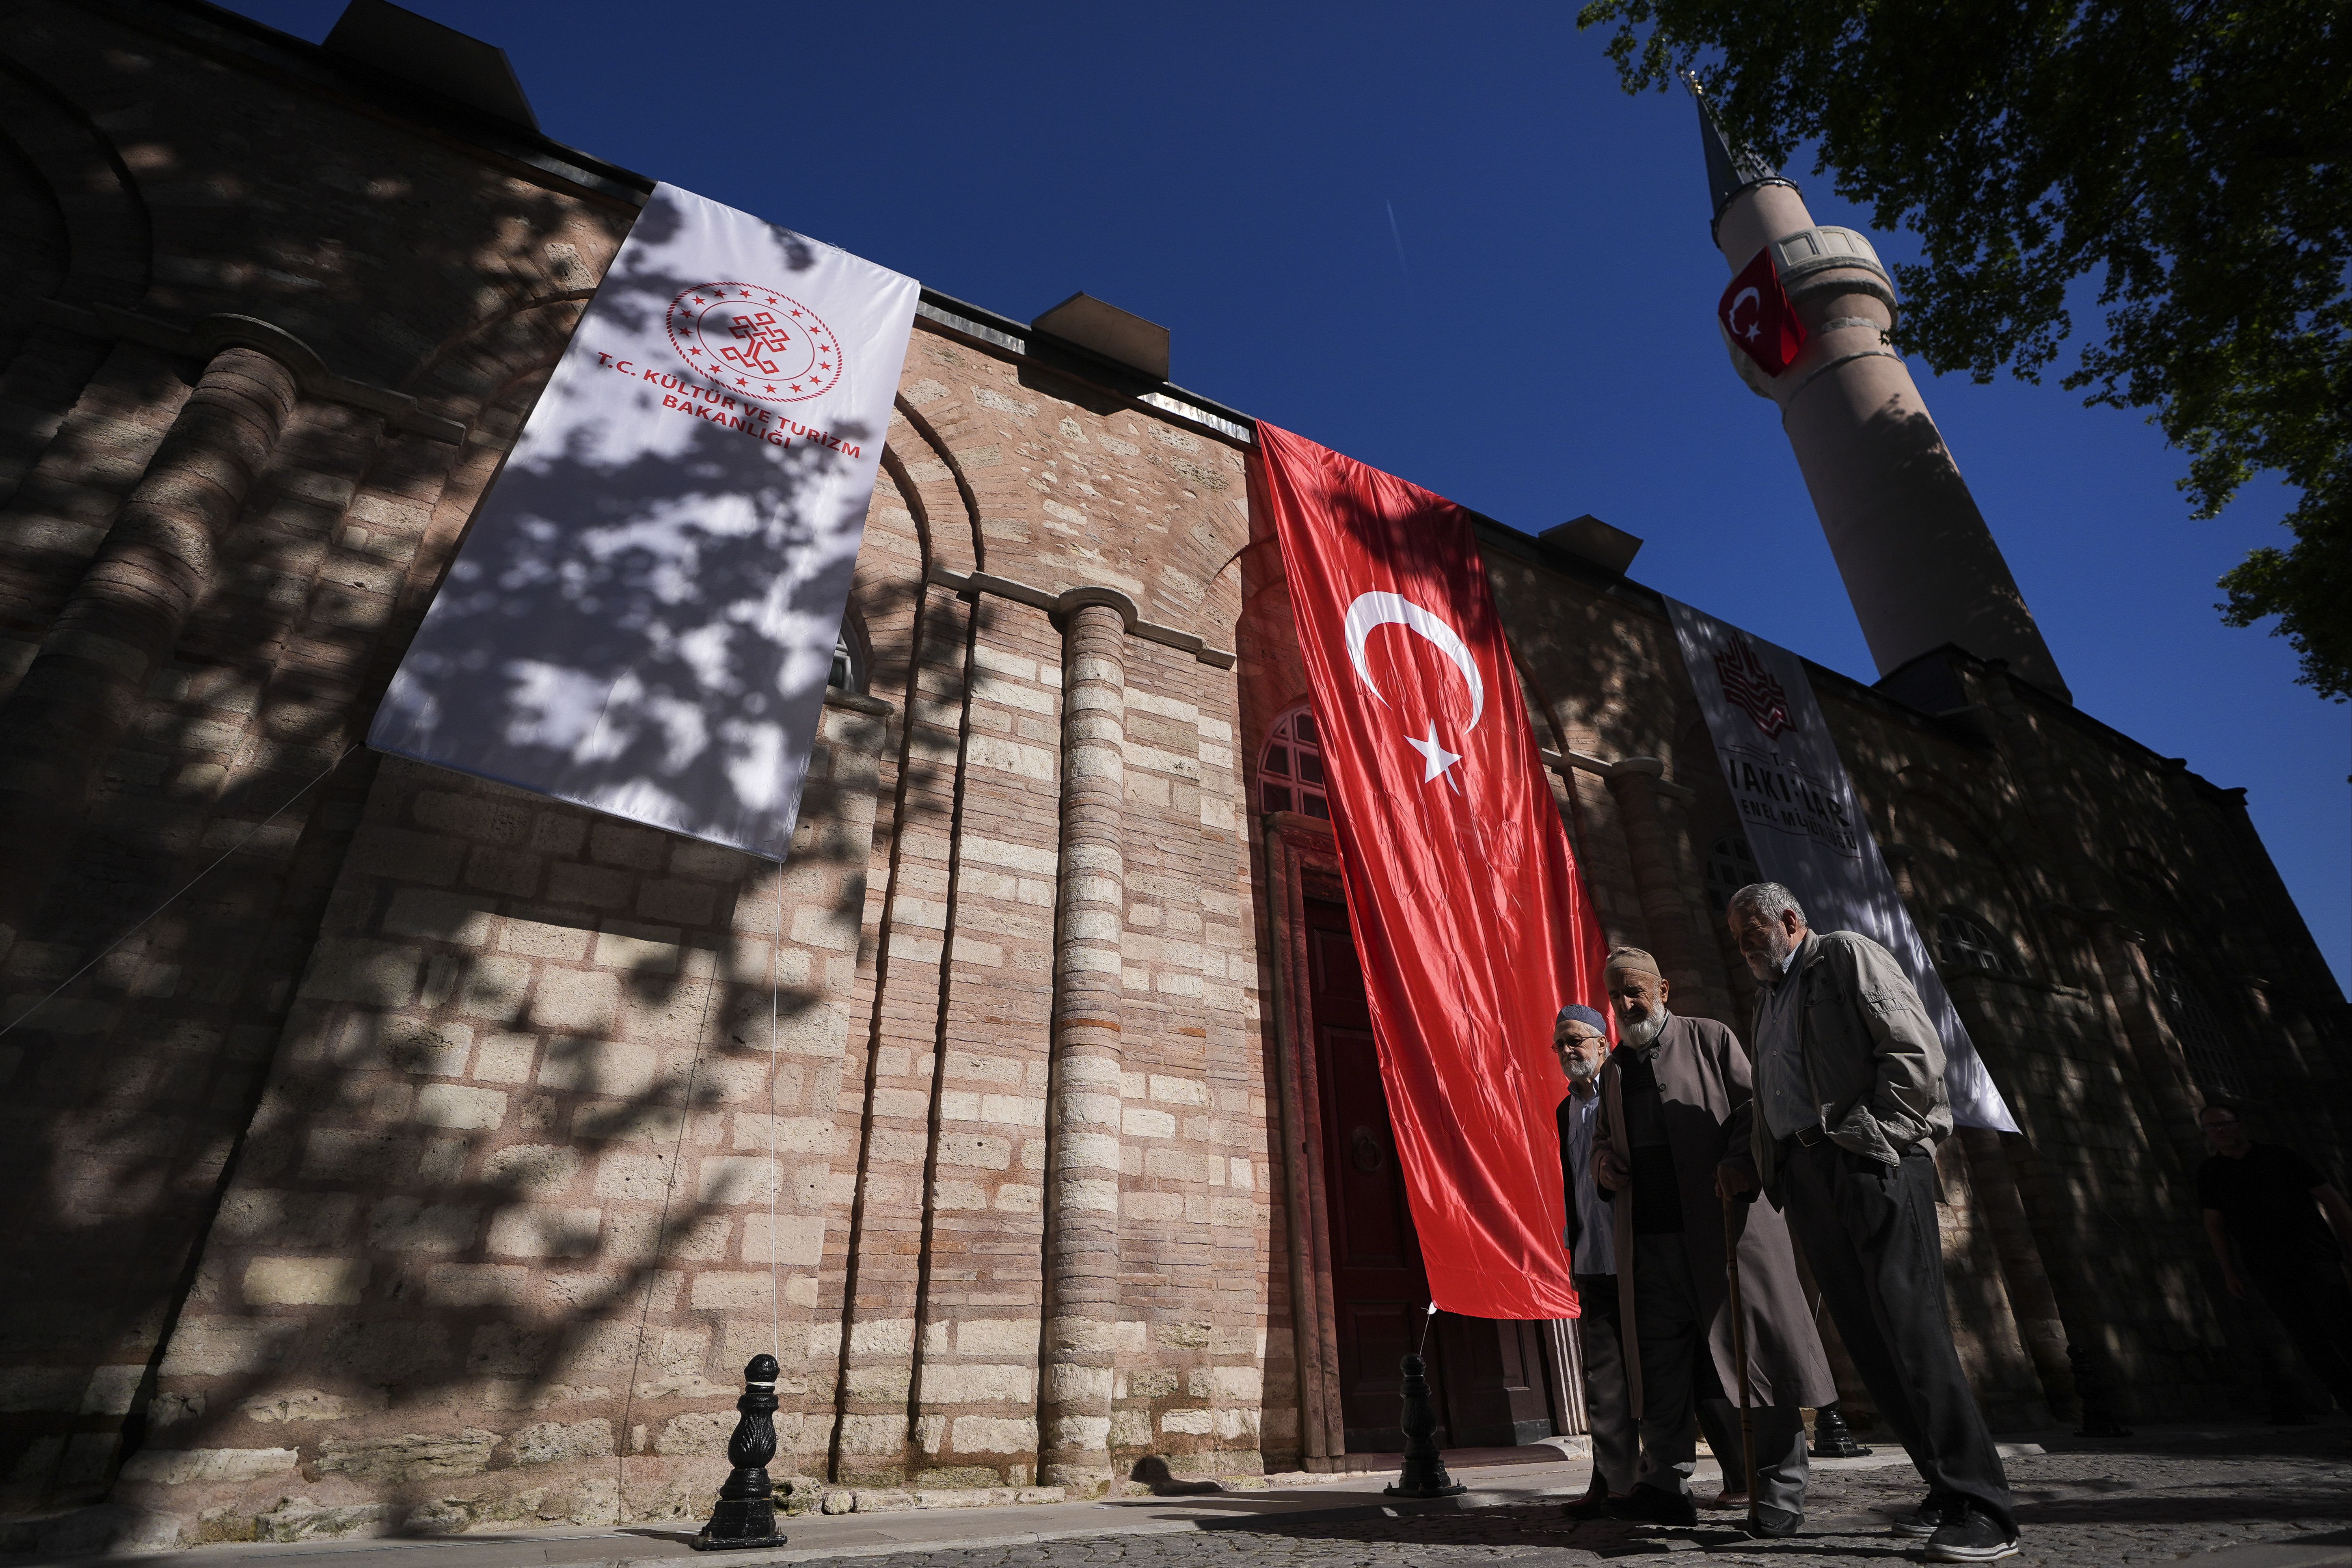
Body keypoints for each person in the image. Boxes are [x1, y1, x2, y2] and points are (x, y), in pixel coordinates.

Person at [1722, 882, 2019, 1564]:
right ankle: (1943, 1491)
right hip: (1807, 1177)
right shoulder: (1767, 999)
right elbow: (1775, 1093)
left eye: (1751, 932)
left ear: (1791, 920)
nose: (1743, 946)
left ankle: (1982, 1505)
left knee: (1910, 1327)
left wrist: (1872, 1132)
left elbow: (1914, 1052)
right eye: (1737, 937)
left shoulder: (1844, 956)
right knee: (1868, 1339)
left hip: (1868, 1161)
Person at [1590, 946, 1832, 1539]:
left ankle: (1780, 1489)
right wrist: (1603, 1167)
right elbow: (1601, 1139)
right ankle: (1665, 1485)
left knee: (1758, 1354)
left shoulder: (1711, 1038)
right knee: (1660, 1368)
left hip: (1723, 1232)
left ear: (1664, 989)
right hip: (1647, 1244)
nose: (1625, 1005)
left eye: (1634, 991)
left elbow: (1755, 1108)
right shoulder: (1614, 1067)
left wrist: (1736, 1161)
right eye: (1616, 994)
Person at [2196, 1102, 2352, 1420]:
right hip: (2266, 1267)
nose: (2220, 1131)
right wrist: (2228, 1271)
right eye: (2212, 1127)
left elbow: (2332, 1200)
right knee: (2309, 1341)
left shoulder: (2279, 1157)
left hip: (2313, 1257)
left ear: (2239, 1125)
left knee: (2342, 1328)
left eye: (2224, 1124)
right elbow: (2214, 1223)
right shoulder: (2210, 1173)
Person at [1553, 1002, 1636, 1519]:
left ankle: (1738, 1474)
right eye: (1561, 1044)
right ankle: (1609, 1481)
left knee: (1668, 1367)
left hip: (1638, 1251)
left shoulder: (1628, 1092)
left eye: (1577, 1041)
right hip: (1593, 1258)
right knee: (1603, 1376)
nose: (1568, 1051)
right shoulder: (1565, 1110)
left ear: (1604, 1045)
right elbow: (1575, 1186)